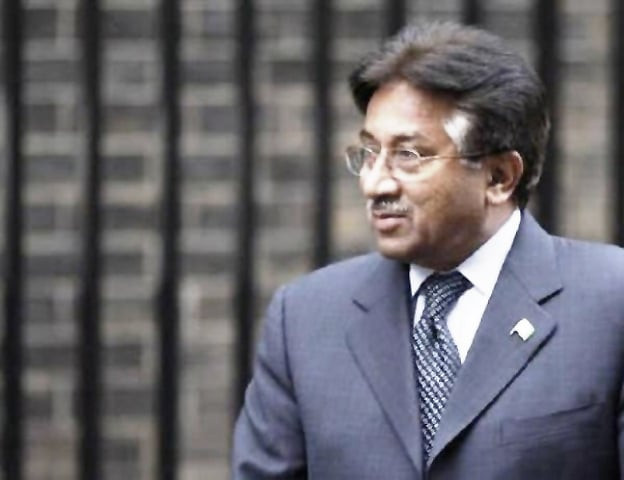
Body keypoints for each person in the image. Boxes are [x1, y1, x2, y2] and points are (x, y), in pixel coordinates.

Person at [232, 21, 624, 479]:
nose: (375, 184)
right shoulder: (305, 319)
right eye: (369, 153)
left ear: (499, 177)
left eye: (409, 155)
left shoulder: (610, 302)